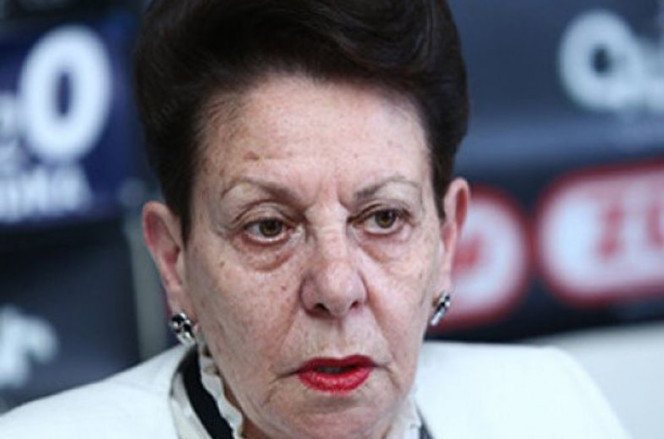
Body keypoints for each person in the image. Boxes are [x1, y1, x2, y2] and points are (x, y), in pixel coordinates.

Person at [0, 0, 630, 438]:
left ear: (446, 237)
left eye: (383, 218)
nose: (336, 286)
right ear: (174, 259)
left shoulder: (551, 406)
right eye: (268, 227)